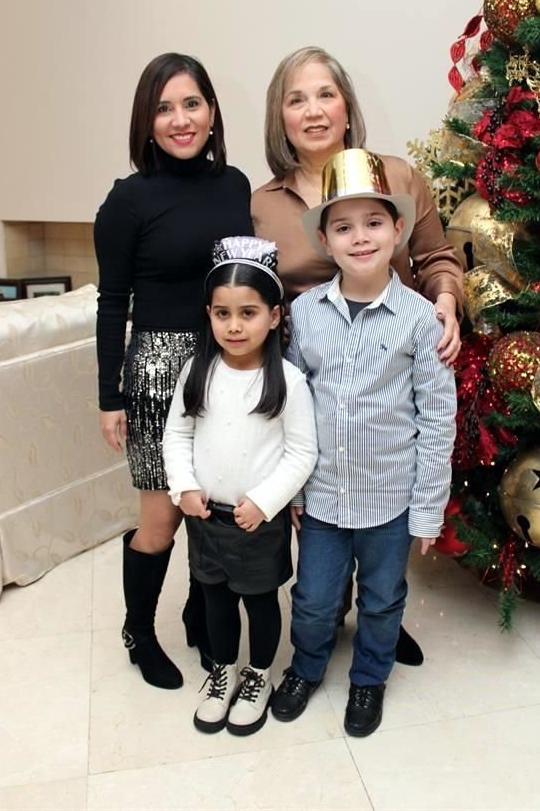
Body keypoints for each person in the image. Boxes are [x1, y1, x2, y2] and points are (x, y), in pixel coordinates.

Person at [251, 45, 463, 665]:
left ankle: (380, 620)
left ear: (347, 106)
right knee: (320, 542)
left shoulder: (397, 177)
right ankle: (326, 621)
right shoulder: (262, 203)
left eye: (325, 94)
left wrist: (446, 301)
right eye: (296, 99)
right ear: (280, 118)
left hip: (388, 369)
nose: (313, 110)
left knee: (379, 537)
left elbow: (437, 259)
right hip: (309, 378)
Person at [270, 148, 457, 736]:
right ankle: (306, 665)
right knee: (315, 598)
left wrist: (427, 509)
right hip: (323, 498)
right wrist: (293, 489)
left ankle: (370, 679)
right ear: (325, 241)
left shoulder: (421, 321)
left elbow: (438, 420)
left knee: (381, 599)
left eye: (374, 223)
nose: (360, 238)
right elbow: (293, 406)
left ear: (398, 230)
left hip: (390, 502)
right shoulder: (304, 315)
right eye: (343, 227)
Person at [94, 53, 253, 690]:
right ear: (147, 121)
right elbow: (111, 305)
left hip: (226, 362)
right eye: (164, 107)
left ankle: (197, 611)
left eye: (192, 104)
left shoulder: (236, 184)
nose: (180, 119)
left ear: (212, 113)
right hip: (158, 370)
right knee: (161, 517)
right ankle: (139, 629)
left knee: (209, 505)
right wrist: (111, 396)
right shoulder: (127, 200)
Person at [163, 236, 318, 735]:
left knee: (259, 601)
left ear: (274, 317)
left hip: (257, 521)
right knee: (215, 600)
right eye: (223, 313)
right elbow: (177, 433)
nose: (234, 326)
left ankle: (257, 675)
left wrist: (266, 502)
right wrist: (183, 487)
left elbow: (301, 453)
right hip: (207, 519)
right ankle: (223, 672)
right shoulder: (197, 371)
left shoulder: (288, 381)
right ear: (208, 314)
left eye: (248, 313)